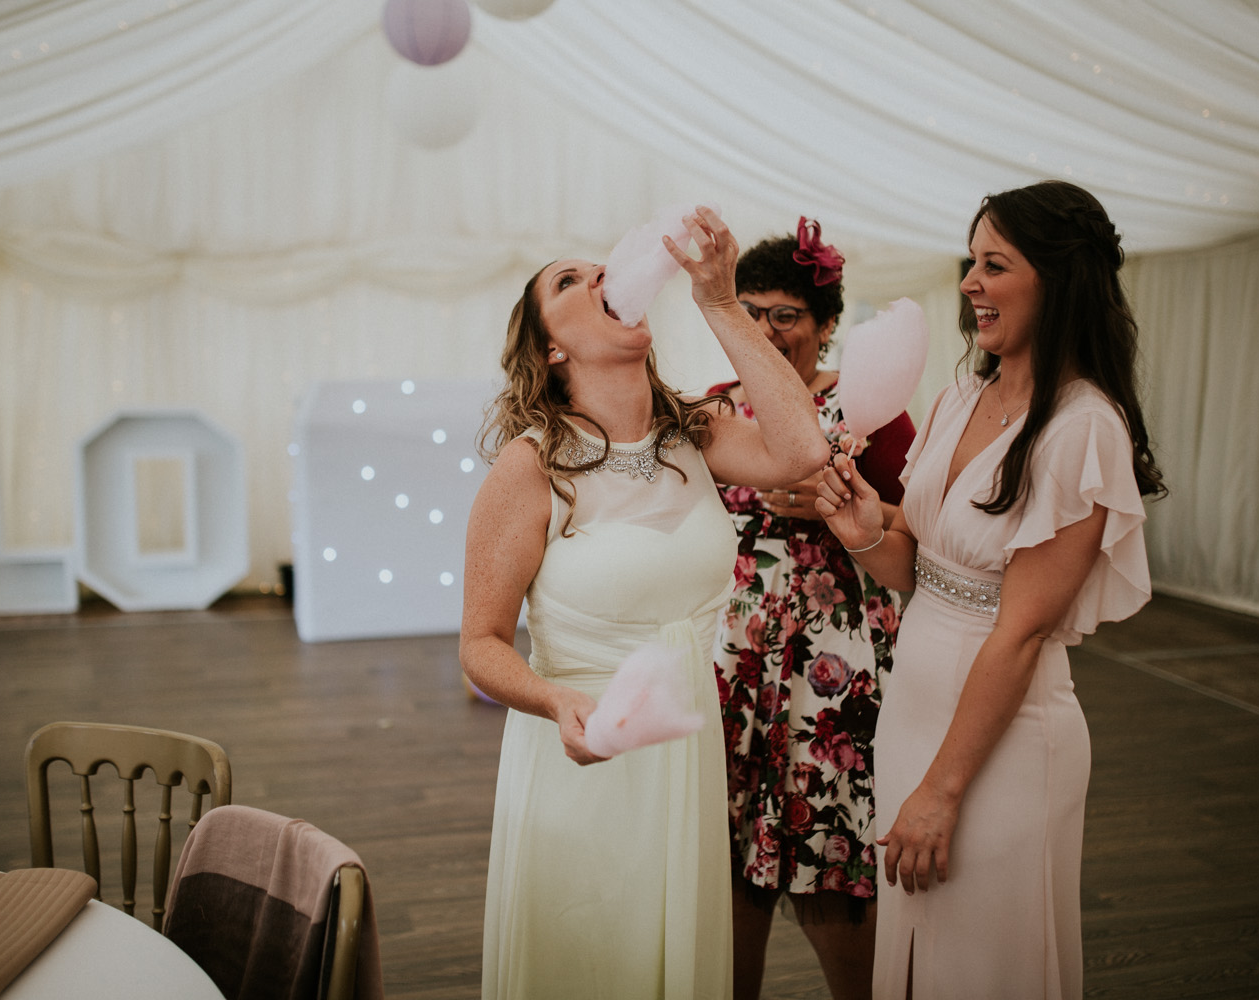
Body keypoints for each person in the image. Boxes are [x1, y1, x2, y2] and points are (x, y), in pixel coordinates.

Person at [460, 206, 831, 1000]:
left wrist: (721, 303)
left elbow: (803, 451)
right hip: (583, 750)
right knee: (592, 954)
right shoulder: (530, 469)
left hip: (685, 746)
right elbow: (480, 646)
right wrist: (556, 699)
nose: (600, 274)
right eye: (569, 280)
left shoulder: (692, 431)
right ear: (550, 346)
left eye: (602, 268)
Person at [814, 180, 1165, 999]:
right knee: (917, 944)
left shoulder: (1084, 428)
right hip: (914, 708)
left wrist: (942, 790)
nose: (970, 282)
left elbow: (1017, 631)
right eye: (971, 262)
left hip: (1001, 743)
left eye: (994, 264)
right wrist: (864, 524)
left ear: (1058, 278)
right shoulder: (960, 394)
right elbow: (923, 568)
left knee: (981, 962)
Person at [705, 219, 914, 1000]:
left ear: (826, 325)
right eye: (750, 311)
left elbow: (918, 527)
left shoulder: (872, 411)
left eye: (786, 314)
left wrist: (840, 507)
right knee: (727, 853)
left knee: (831, 846)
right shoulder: (713, 411)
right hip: (732, 662)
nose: (765, 329)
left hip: (836, 672)